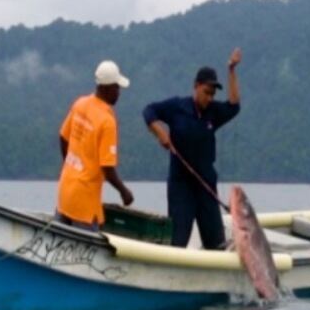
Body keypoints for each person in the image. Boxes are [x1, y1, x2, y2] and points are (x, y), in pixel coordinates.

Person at [143, 49, 243, 249]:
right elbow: (149, 111)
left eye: (213, 95)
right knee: (178, 241)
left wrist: (231, 70)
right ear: (196, 86)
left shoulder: (213, 112)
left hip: (206, 186)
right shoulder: (177, 107)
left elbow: (234, 106)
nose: (209, 98)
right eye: (206, 92)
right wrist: (160, 132)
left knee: (217, 244)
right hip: (181, 186)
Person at [56, 60, 135, 230]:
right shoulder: (107, 121)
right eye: (116, 87)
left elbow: (63, 136)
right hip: (84, 205)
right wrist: (124, 191)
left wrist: (69, 166)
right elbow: (107, 167)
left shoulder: (80, 103)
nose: (119, 92)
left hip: (65, 192)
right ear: (106, 88)